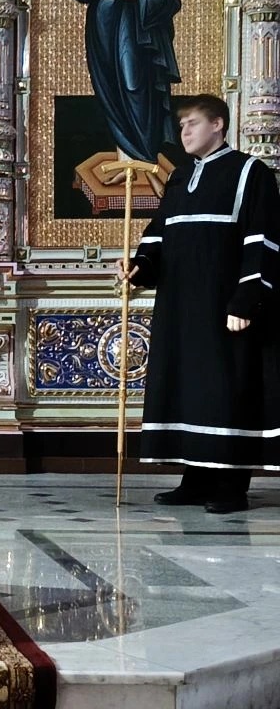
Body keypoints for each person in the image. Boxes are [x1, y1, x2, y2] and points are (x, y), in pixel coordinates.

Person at [118, 94, 280, 513]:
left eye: (192, 123)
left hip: (224, 305)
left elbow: (262, 239)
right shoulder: (179, 177)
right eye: (181, 125)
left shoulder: (250, 172)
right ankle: (195, 478)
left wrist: (247, 299)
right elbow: (159, 236)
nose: (184, 132)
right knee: (188, 387)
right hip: (179, 308)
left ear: (218, 124)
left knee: (225, 388)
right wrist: (139, 265)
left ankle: (231, 485)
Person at [65, 0, 181, 197]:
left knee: (134, 88)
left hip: (135, 31)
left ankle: (148, 166)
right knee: (111, 93)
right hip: (102, 30)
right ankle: (126, 163)